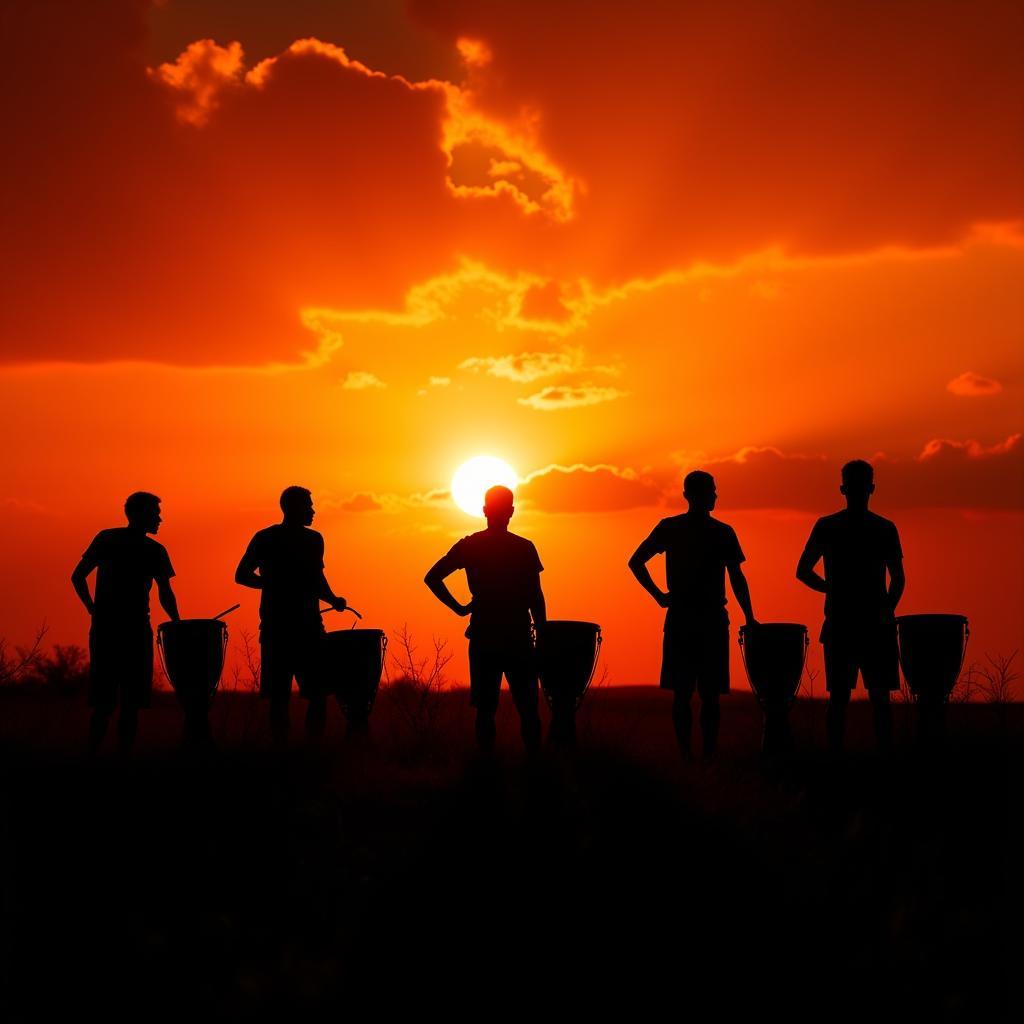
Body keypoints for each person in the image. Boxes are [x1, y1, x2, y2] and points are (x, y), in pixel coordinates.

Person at [629, 470, 757, 760]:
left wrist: (660, 596)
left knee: (689, 694)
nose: (714, 496)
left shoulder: (681, 529)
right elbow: (737, 577)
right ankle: (697, 756)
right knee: (698, 695)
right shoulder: (718, 532)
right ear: (691, 495)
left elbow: (636, 561)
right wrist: (660, 596)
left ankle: (693, 756)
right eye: (710, 491)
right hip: (701, 620)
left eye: (713, 490)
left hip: (691, 619)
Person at [424, 485, 544, 754]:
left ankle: (487, 768)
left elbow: (432, 577)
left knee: (486, 709)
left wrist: (459, 608)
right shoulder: (524, 547)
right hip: (517, 637)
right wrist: (543, 636)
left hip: (485, 636)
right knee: (528, 708)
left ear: (484, 510)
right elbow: (536, 597)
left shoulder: (470, 546)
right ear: (511, 511)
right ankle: (535, 767)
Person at [796, 459, 904, 752]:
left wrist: (886, 610)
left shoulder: (876, 528)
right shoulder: (875, 528)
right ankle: (843, 758)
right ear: (845, 488)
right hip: (849, 624)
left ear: (869, 488)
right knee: (846, 698)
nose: (857, 491)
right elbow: (803, 570)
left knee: (870, 698)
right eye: (853, 486)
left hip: (865, 625)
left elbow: (898, 579)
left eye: (860, 486)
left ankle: (859, 758)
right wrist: (831, 589)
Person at [235, 486, 348, 745]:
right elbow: (241, 575)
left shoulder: (313, 540)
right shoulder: (266, 538)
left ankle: (310, 750)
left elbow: (317, 578)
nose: (313, 511)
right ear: (293, 508)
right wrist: (271, 584)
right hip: (280, 629)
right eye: (308, 506)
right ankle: (283, 752)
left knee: (317, 693)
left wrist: (333, 599)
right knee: (282, 697)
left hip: (307, 627)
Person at [71, 491, 180, 754]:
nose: (160, 519)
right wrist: (177, 622)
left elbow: (77, 577)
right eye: (155, 513)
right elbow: (164, 592)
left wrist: (93, 609)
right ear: (141, 514)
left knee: (106, 702)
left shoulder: (108, 539)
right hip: (130, 632)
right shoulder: (152, 550)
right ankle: (119, 757)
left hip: (108, 629)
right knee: (126, 702)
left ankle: (96, 755)